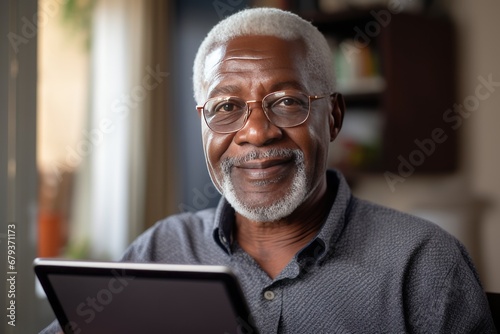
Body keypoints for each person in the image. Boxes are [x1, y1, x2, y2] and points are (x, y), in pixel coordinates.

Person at [40, 7, 496, 334]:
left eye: (286, 102)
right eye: (226, 107)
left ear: (332, 117)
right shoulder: (162, 248)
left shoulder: (424, 264)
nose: (256, 132)